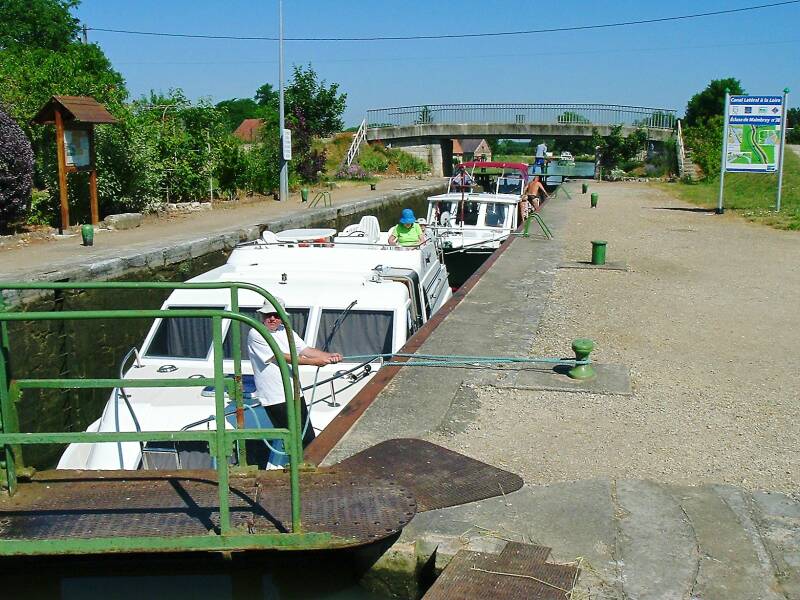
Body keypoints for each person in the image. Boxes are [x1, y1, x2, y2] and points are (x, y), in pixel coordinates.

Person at [247, 297, 342, 462]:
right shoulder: (256, 333)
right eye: (268, 314)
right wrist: (315, 363)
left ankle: (306, 471)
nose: (272, 318)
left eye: (276, 315)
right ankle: (299, 473)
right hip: (275, 397)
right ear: (262, 316)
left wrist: (329, 356)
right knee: (294, 440)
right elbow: (282, 356)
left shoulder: (286, 331)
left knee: (307, 437)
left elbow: (305, 350)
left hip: (293, 392)